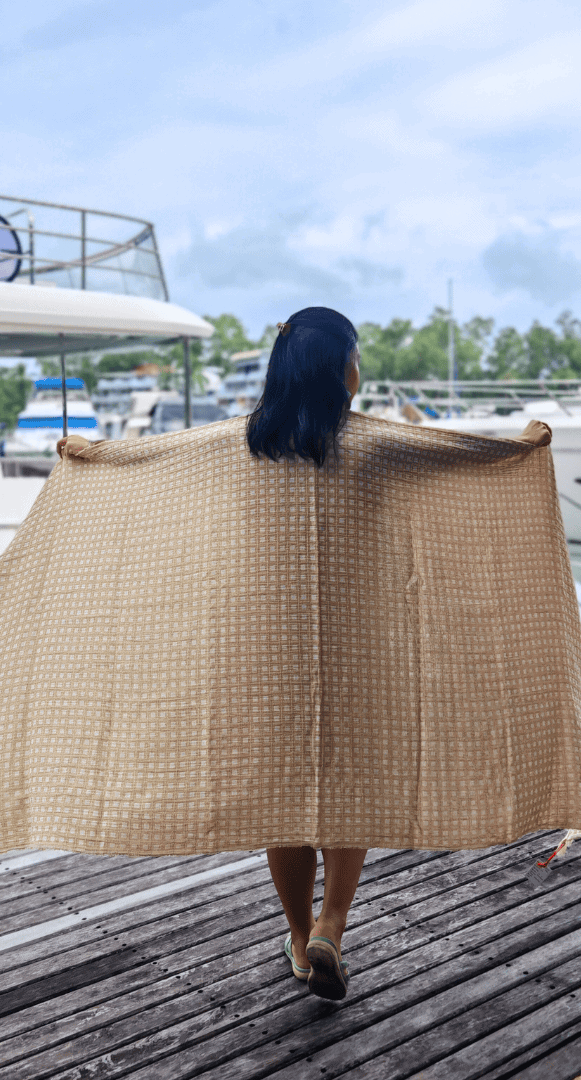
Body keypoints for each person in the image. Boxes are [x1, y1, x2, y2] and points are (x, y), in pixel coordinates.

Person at [58, 306, 367, 1001]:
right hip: (355, 653)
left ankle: (295, 934)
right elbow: (463, 464)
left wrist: (93, 458)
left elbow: (152, 466)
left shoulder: (239, 445)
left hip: (262, 653)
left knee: (285, 801)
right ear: (340, 371)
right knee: (351, 794)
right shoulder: (372, 446)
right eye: (357, 355)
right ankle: (331, 926)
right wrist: (521, 451)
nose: (361, 368)